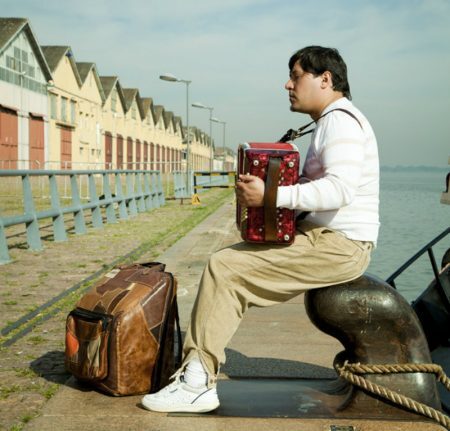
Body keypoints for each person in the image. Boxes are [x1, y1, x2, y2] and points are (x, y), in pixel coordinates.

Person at [141, 45, 379, 413]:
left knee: (226, 267)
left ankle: (198, 382)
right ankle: (198, 371)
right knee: (229, 262)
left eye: (296, 75)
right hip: (327, 239)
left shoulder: (341, 122)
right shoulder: (331, 121)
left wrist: (271, 193)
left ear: (326, 79)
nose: (287, 84)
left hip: (341, 246)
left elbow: (340, 189)